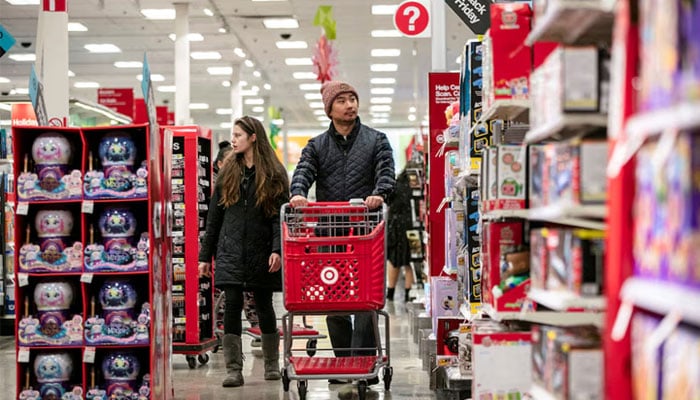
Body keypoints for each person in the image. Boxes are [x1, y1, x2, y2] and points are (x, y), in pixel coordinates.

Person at [289, 80, 396, 383]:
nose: (350, 105)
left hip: (365, 234)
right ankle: (342, 365)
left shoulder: (377, 140)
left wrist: (380, 193)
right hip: (330, 232)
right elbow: (304, 171)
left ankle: (361, 366)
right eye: (343, 101)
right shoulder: (316, 145)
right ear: (330, 109)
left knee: (364, 298)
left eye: (353, 99)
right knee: (333, 297)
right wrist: (298, 192)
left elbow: (387, 172)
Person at [199, 116, 289, 387]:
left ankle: (272, 364)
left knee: (264, 305)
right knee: (232, 304)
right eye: (233, 134)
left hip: (262, 250)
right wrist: (205, 256)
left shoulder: (273, 174)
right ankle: (234, 369)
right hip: (231, 250)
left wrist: (278, 249)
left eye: (238, 135)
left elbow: (278, 218)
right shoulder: (228, 172)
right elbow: (214, 218)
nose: (233, 139)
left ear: (253, 137)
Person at [213, 141, 261, 348]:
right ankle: (224, 335)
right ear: (220, 163)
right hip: (226, 250)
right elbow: (214, 220)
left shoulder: (250, 180)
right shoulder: (219, 185)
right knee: (229, 298)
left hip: (246, 250)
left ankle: (255, 328)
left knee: (251, 296)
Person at [386, 164, 419, 302]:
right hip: (413, 227)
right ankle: (408, 292)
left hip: (395, 227)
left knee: (394, 260)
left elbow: (388, 202)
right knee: (410, 260)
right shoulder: (416, 187)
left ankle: (390, 292)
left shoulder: (396, 185)